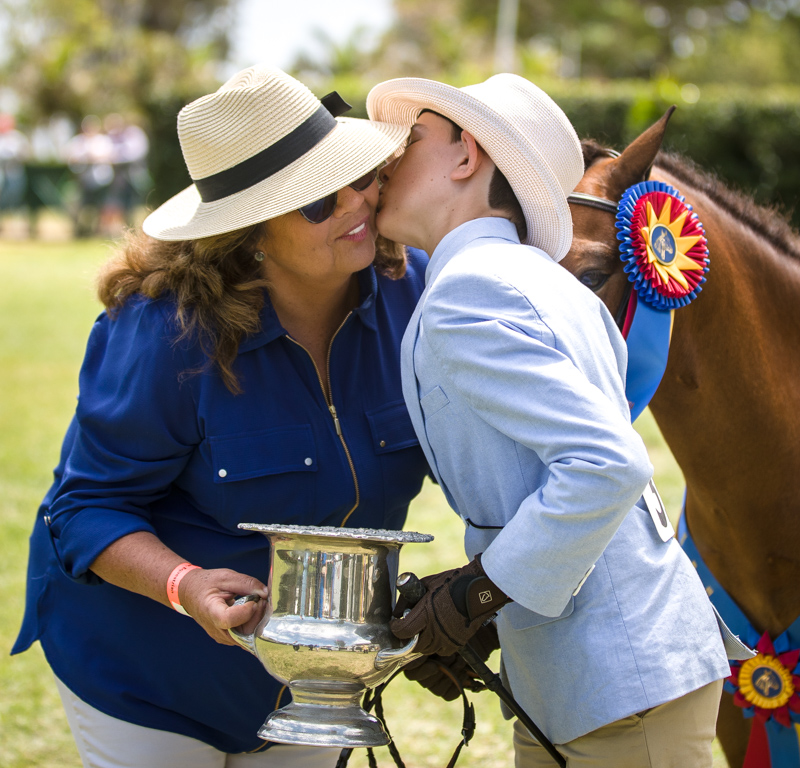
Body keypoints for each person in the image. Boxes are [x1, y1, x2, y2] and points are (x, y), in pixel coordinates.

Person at [12, 65, 430, 768]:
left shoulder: (416, 295)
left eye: (359, 176)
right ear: (249, 234)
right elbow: (84, 507)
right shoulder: (164, 331)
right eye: (320, 200)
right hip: (146, 677)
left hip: (313, 685)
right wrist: (185, 587)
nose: (358, 202)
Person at [366, 74, 749, 767]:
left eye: (411, 139)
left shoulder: (471, 290)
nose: (387, 158)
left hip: (622, 684)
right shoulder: (532, 279)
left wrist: (478, 593)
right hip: (597, 677)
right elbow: (545, 478)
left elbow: (607, 467)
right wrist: (484, 609)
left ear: (466, 155)